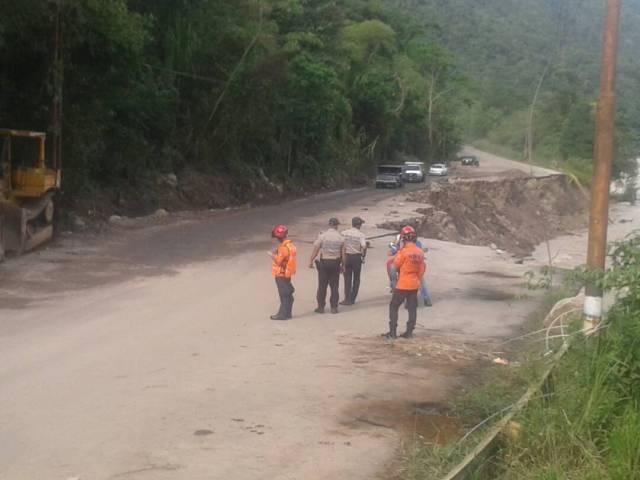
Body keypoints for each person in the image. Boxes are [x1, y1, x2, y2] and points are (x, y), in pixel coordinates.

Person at [383, 225, 425, 339]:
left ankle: (392, 333)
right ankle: (409, 332)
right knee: (412, 308)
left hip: (402, 284)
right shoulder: (420, 252)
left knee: (394, 306)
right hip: (414, 285)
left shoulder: (403, 252)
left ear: (403, 238)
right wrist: (417, 279)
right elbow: (422, 269)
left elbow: (393, 268)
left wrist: (394, 282)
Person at [309, 218, 346, 314]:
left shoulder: (322, 236)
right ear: (337, 225)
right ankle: (334, 307)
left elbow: (316, 249)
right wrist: (343, 265)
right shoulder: (341, 237)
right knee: (334, 286)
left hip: (324, 262)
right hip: (335, 263)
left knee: (322, 286)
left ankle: (321, 307)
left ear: (329, 225)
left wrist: (311, 260)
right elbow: (343, 253)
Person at [388, 235, 433, 307]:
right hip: (418, 265)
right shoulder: (417, 243)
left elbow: (391, 254)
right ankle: (427, 299)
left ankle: (396, 290)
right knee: (421, 280)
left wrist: (394, 247)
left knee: (398, 275)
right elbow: (423, 252)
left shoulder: (401, 244)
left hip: (406, 266)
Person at [268, 224, 297, 321]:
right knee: (288, 294)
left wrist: (272, 255)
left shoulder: (283, 248)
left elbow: (279, 261)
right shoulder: (290, 245)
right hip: (287, 272)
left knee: (284, 295)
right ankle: (288, 313)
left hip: (281, 273)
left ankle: (282, 315)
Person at [340, 217, 368, 306]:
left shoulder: (344, 233)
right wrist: (363, 256)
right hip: (356, 257)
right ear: (359, 225)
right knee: (356, 279)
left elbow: (340, 243)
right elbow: (364, 247)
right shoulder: (361, 235)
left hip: (347, 256)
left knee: (347, 278)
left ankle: (347, 298)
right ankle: (352, 299)